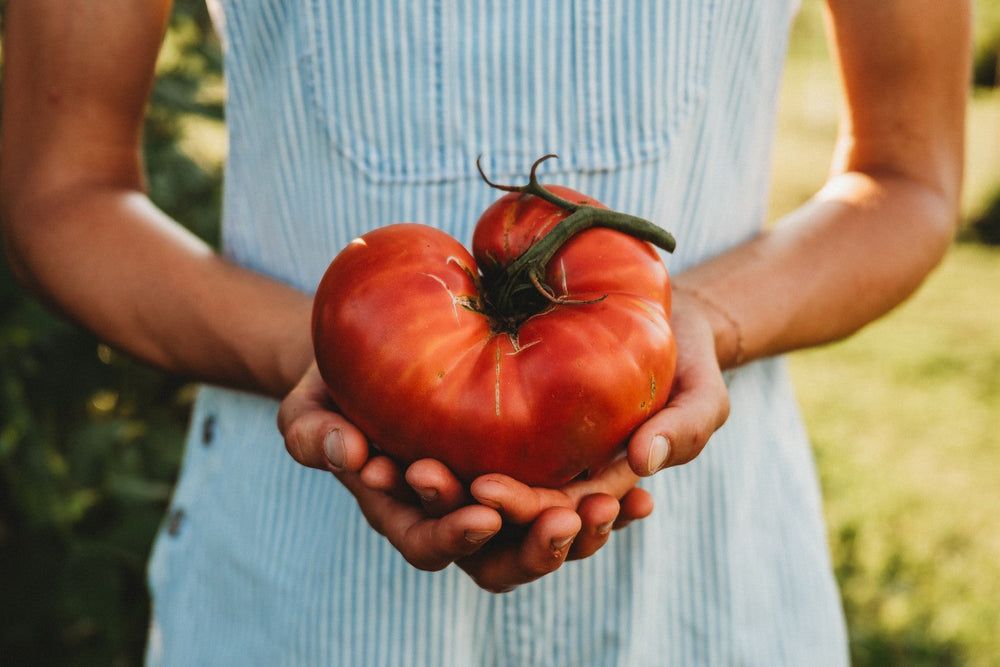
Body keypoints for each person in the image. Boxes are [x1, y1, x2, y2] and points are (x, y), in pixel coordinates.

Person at [0, 0, 970, 664]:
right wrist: (313, 356)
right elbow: (64, 191)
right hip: (292, 592)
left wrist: (702, 323)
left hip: (707, 593)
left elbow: (907, 176)